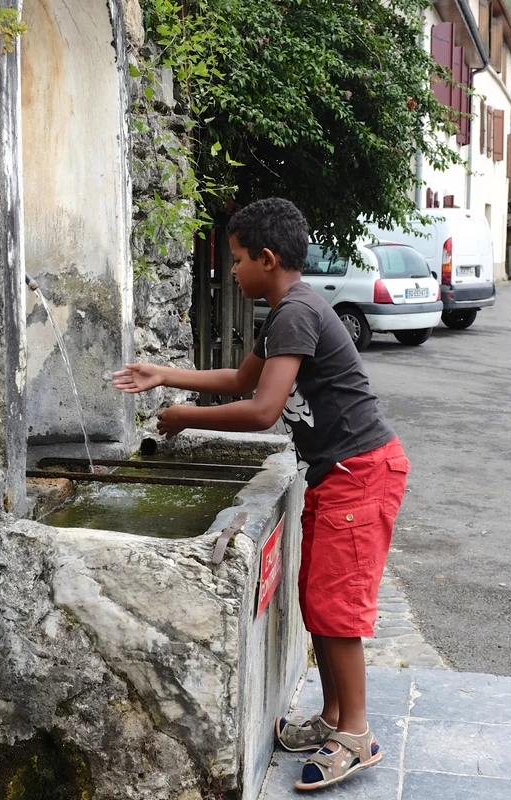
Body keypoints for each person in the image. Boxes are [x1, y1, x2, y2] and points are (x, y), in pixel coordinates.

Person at [113, 197, 409, 792]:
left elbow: (262, 410)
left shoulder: (296, 313)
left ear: (267, 259)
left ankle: (356, 734)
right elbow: (242, 379)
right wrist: (164, 375)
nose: (232, 271)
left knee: (336, 608)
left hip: (360, 472)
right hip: (338, 473)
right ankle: (334, 717)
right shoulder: (286, 313)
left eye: (238, 259)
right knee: (317, 599)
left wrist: (187, 417)